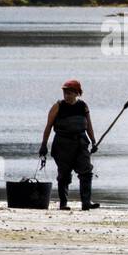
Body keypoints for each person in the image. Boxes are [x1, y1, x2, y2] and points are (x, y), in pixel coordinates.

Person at [39, 80, 100, 211]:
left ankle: (86, 202)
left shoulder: (83, 106)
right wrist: (44, 145)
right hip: (62, 145)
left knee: (86, 172)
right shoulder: (58, 106)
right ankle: (63, 203)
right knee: (64, 174)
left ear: (77, 93)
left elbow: (88, 125)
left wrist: (93, 141)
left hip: (81, 143)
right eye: (65, 93)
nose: (67, 95)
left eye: (70, 93)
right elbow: (48, 127)